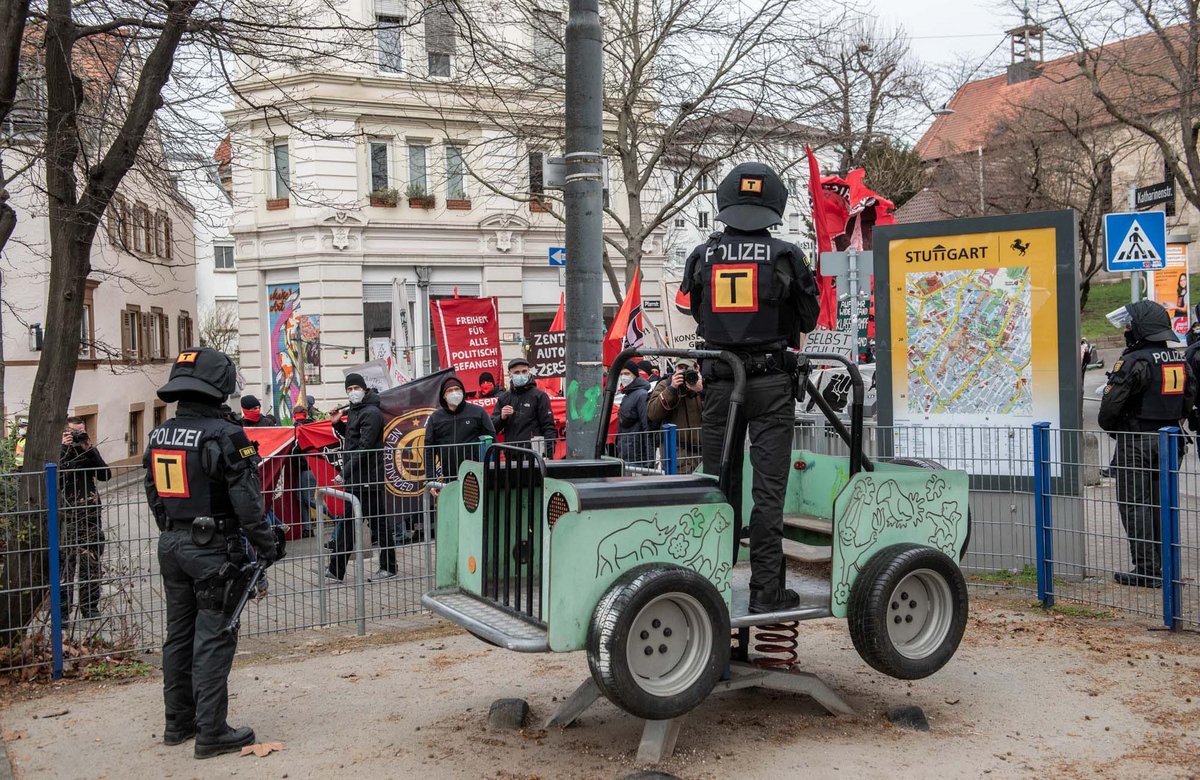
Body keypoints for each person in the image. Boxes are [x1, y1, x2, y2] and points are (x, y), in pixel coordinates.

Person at [682, 161, 820, 614]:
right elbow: (808, 319)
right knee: (769, 490)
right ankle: (766, 588)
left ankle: (711, 586)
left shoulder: (703, 256)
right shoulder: (786, 256)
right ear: (775, 206)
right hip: (771, 382)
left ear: (725, 205)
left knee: (718, 485)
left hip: (721, 383)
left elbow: (699, 316)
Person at [144, 347, 279, 758]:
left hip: (172, 544)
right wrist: (266, 544)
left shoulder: (159, 433)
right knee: (214, 636)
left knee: (179, 635)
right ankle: (212, 732)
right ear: (219, 386)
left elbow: (153, 493)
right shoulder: (224, 434)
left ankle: (178, 723)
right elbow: (248, 501)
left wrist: (174, 533)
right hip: (214, 548)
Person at [1099, 300, 1196, 588]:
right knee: (1162, 503)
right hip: (1171, 441)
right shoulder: (1179, 359)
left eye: (1130, 325)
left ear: (1142, 328)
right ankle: (1167, 566)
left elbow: (1108, 411)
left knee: (1134, 504)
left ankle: (1147, 569)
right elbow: (1188, 401)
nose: (1127, 329)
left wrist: (1120, 428)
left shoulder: (1134, 361)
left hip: (1137, 442)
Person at [326, 373, 395, 582]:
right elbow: (353, 439)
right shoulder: (356, 411)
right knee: (348, 523)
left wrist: (343, 473)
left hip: (369, 479)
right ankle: (336, 569)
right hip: (358, 478)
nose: (352, 392)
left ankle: (389, 567)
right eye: (348, 389)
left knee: (378, 525)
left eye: (355, 387)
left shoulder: (371, 412)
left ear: (364, 389)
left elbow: (364, 447)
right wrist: (338, 424)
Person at [59, 416, 110, 620]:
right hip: (67, 515)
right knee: (66, 565)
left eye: (81, 430)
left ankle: (90, 608)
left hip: (90, 514)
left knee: (91, 562)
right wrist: (64, 448)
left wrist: (90, 448)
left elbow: (105, 474)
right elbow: (55, 476)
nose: (77, 434)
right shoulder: (57, 452)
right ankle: (62, 612)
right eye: (73, 431)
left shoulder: (85, 451)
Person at [424, 376, 495, 498]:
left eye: (457, 389)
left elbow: (491, 441)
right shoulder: (435, 418)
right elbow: (429, 450)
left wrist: (490, 470)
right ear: (443, 396)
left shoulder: (478, 412)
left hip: (476, 474)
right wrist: (431, 480)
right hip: (449, 477)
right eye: (449, 391)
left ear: (463, 391)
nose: (454, 393)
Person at [647, 357, 704, 471]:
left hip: (700, 452)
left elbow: (718, 411)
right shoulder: (665, 384)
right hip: (675, 453)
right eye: (680, 368)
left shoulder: (703, 385)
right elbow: (652, 413)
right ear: (675, 368)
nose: (684, 372)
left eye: (687, 368)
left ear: (696, 368)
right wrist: (672, 389)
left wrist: (702, 391)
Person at [491, 357, 557, 455]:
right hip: (511, 456)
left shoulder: (539, 396)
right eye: (517, 372)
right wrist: (501, 417)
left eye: (524, 371)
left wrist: (548, 453)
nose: (521, 375)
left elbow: (548, 427)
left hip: (534, 455)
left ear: (529, 372)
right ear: (510, 374)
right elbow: (492, 428)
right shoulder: (504, 398)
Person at [615, 361, 653, 467]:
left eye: (627, 373)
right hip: (627, 452)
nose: (623, 377)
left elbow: (646, 426)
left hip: (637, 454)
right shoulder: (627, 395)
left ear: (635, 375)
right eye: (621, 374)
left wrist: (650, 459)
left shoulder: (641, 395)